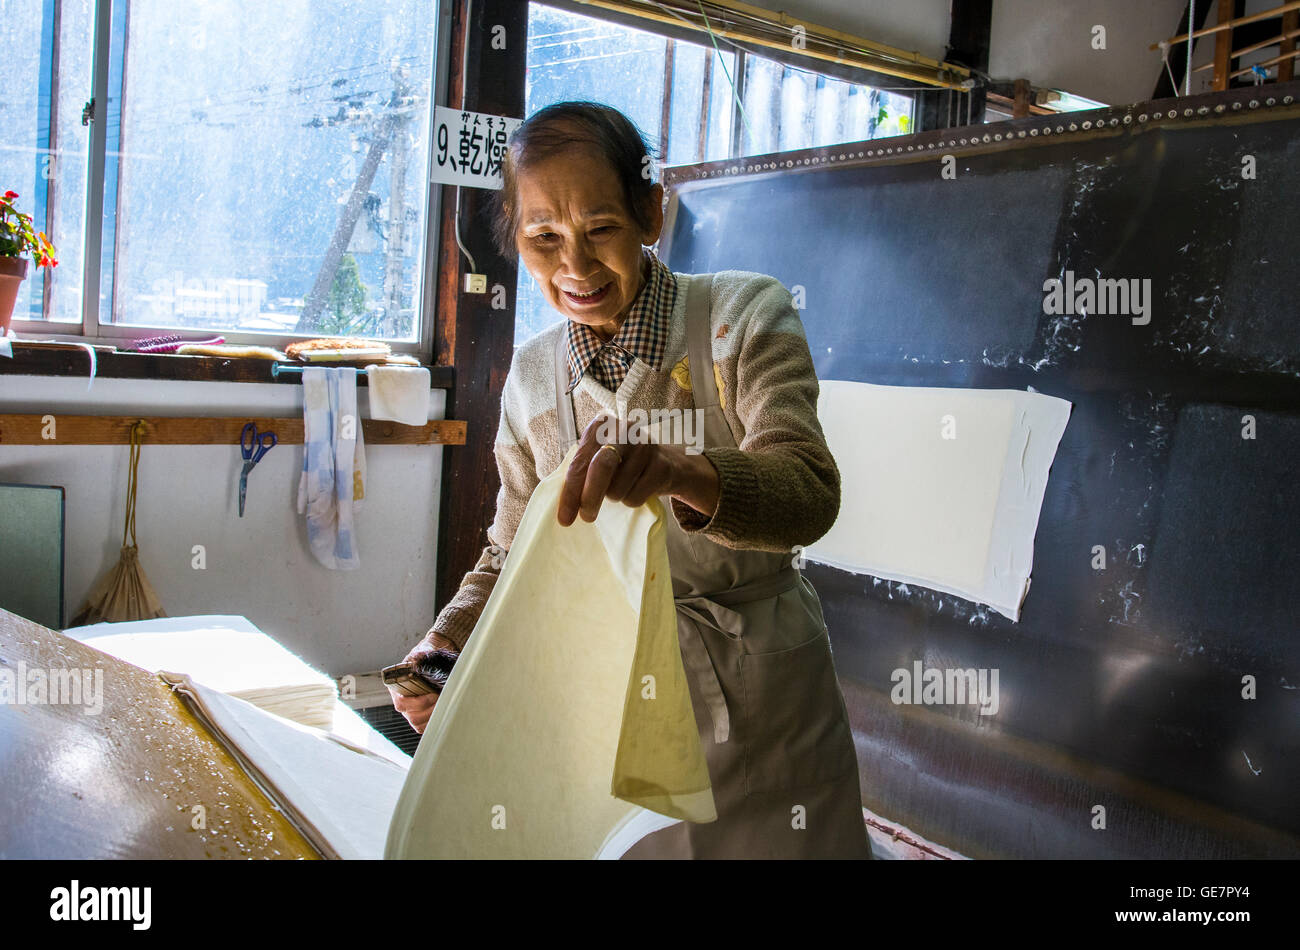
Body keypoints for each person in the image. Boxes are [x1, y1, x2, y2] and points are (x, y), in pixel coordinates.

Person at [389, 101, 870, 859]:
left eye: (600, 229)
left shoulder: (741, 316)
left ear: (650, 212)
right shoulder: (533, 377)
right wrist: (444, 645)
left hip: (760, 695)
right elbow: (512, 552)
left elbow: (808, 491)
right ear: (516, 238)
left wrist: (683, 471)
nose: (575, 267)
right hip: (610, 698)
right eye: (544, 238)